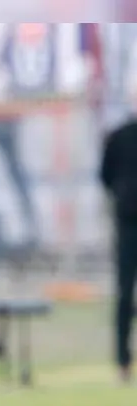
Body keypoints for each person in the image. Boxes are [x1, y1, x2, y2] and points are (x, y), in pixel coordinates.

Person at [99, 113, 137, 383]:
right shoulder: (119, 136)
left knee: (124, 293)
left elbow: (105, 177)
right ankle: (123, 362)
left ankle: (123, 363)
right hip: (127, 223)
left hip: (127, 220)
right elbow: (105, 175)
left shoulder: (118, 135)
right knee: (124, 294)